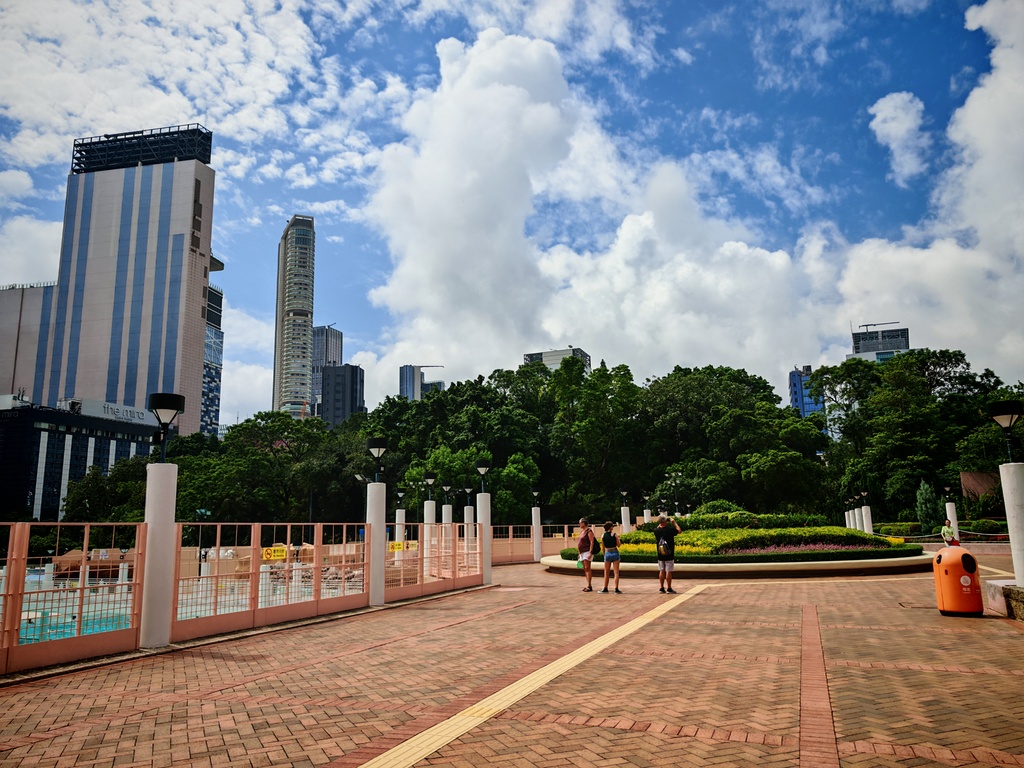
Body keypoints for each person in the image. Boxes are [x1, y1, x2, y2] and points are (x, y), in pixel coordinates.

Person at [653, 514, 682, 593]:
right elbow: (679, 531)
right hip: (669, 553)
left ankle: (661, 587)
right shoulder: (669, 530)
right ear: (665, 521)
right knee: (668, 571)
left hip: (660, 553)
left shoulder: (656, 531)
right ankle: (669, 588)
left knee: (661, 570)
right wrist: (674, 522)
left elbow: (659, 527)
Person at [599, 521, 622, 593]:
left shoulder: (603, 535)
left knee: (606, 572)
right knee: (616, 572)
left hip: (608, 552)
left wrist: (604, 554)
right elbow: (618, 545)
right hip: (615, 552)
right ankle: (616, 588)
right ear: (611, 527)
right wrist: (618, 539)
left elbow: (603, 547)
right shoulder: (614, 535)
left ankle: (605, 588)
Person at [576, 518, 598, 591]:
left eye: (580, 523)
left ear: (583, 523)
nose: (579, 524)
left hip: (587, 551)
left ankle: (589, 585)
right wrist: (579, 553)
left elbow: (592, 542)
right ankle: (588, 584)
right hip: (582, 552)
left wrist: (590, 552)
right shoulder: (582, 532)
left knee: (587, 568)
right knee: (585, 568)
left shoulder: (589, 531)